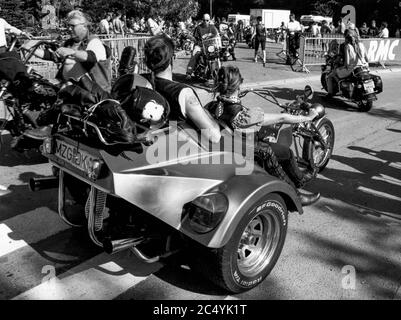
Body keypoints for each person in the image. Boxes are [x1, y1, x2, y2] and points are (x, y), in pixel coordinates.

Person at [205, 65, 320, 206]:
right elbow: (282, 118)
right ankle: (296, 195)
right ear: (238, 85)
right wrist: (308, 117)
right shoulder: (242, 115)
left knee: (283, 151)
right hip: (246, 150)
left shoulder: (211, 106)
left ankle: (300, 179)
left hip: (231, 146)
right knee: (282, 152)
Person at [24, 10, 112, 138]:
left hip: (95, 92)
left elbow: (90, 57)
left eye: (73, 26)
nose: (69, 29)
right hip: (73, 87)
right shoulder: (70, 43)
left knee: (64, 90)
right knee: (42, 88)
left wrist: (71, 52)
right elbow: (53, 56)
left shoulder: (94, 42)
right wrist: (31, 48)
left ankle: (49, 126)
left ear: (84, 25)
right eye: (68, 26)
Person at [144, 34, 221, 143]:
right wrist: (208, 114)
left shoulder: (141, 82)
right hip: (181, 150)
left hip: (152, 146)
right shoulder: (183, 93)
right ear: (171, 59)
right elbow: (214, 136)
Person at [326, 29, 369, 97]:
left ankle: (332, 93)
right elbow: (367, 59)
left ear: (346, 38)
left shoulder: (347, 46)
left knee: (331, 75)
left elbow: (347, 63)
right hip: (365, 68)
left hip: (353, 69)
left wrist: (339, 68)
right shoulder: (361, 44)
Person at [186, 13, 219, 79]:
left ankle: (218, 70)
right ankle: (189, 73)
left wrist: (218, 44)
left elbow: (217, 36)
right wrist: (193, 40)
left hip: (210, 47)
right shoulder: (198, 28)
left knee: (217, 55)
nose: (205, 22)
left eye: (207, 20)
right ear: (202, 20)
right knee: (194, 54)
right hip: (200, 46)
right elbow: (195, 38)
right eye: (204, 20)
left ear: (209, 20)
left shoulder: (213, 28)